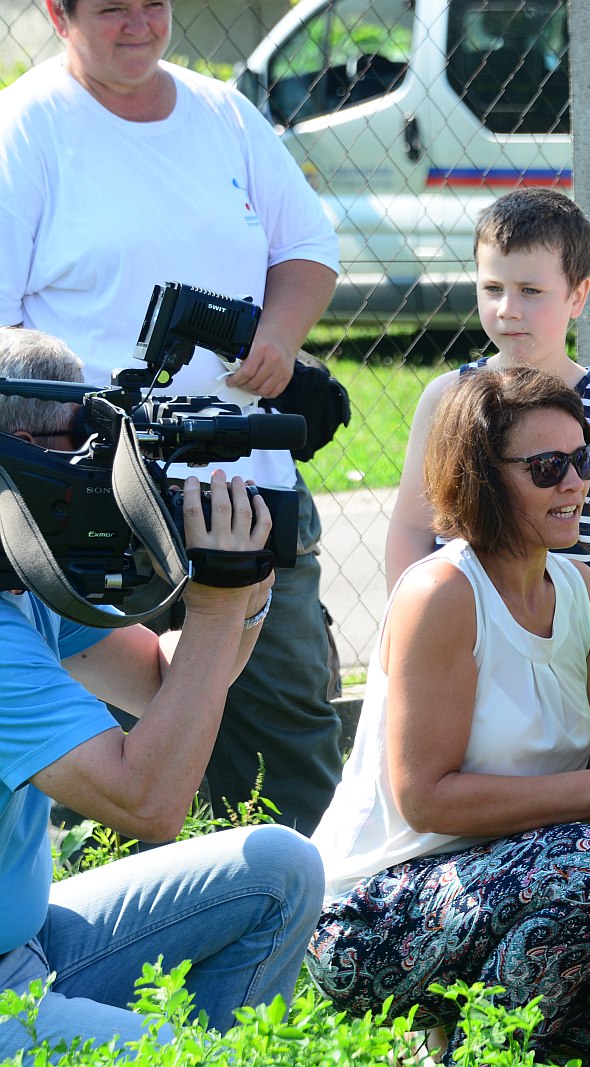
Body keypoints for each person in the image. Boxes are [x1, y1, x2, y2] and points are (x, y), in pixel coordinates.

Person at [309, 368, 590, 1063]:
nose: (575, 483)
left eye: (584, 458)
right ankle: (474, 1056)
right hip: (373, 912)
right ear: (482, 476)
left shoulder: (582, 594)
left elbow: (588, 768)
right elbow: (425, 797)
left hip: (514, 892)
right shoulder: (443, 594)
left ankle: (482, 1043)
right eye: (546, 467)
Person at [0, 0, 344, 832]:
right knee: (115, 767)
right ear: (57, 13)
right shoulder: (28, 127)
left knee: (289, 744)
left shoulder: (223, 112)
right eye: (111, 8)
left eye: (152, 3)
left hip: (244, 485)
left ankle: (321, 938)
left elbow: (307, 247)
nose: (138, 25)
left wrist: (277, 336)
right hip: (87, 508)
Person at [0, 329, 320, 1057]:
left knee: (280, 869)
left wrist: (247, 586)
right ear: (23, 448)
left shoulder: (20, 569)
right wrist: (211, 607)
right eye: (85, 442)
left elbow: (162, 686)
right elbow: (149, 800)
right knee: (184, 1054)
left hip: (30, 941)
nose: (108, 469)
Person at [385, 189, 590, 703]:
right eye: (493, 288)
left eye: (531, 290)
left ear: (578, 296)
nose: (508, 309)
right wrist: (407, 635)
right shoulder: (446, 398)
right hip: (457, 636)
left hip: (564, 641)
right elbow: (412, 527)